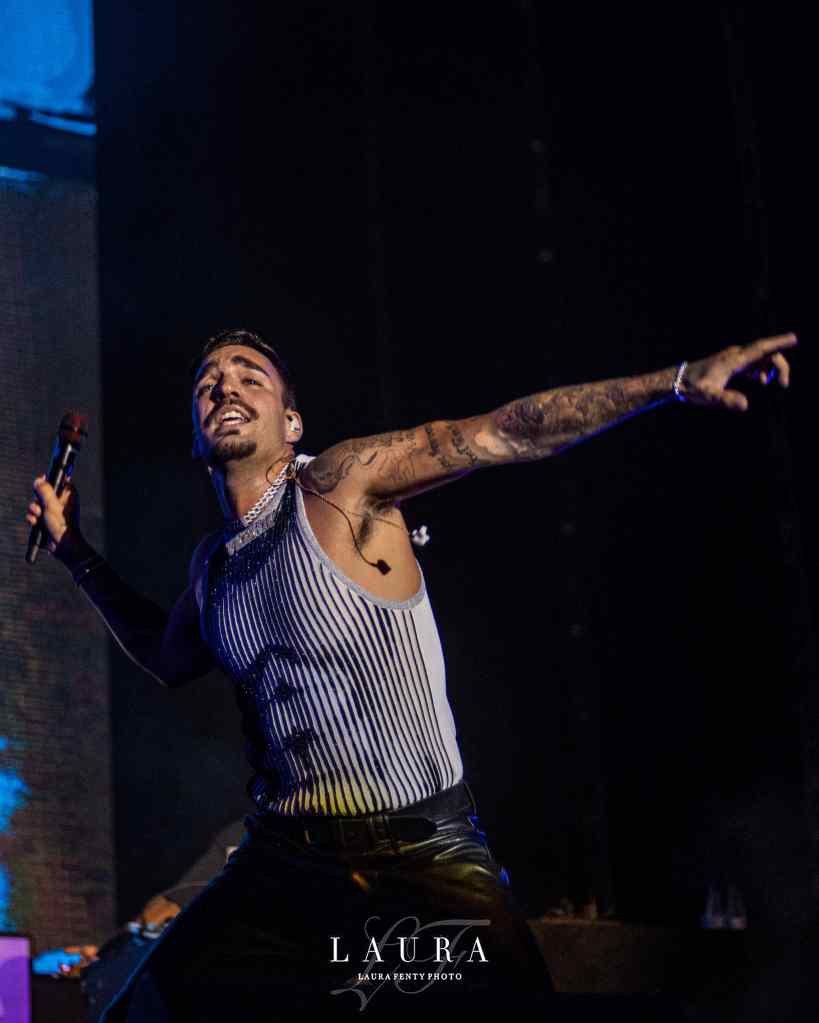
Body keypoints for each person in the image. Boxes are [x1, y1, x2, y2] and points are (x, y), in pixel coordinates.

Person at [25, 327, 796, 1019]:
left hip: (420, 848)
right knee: (150, 1004)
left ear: (291, 422)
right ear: (196, 431)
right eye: (207, 383)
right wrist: (73, 551)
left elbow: (503, 431)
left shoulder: (339, 482)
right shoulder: (214, 566)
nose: (224, 386)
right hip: (286, 854)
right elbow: (168, 657)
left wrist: (675, 380)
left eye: (248, 376)